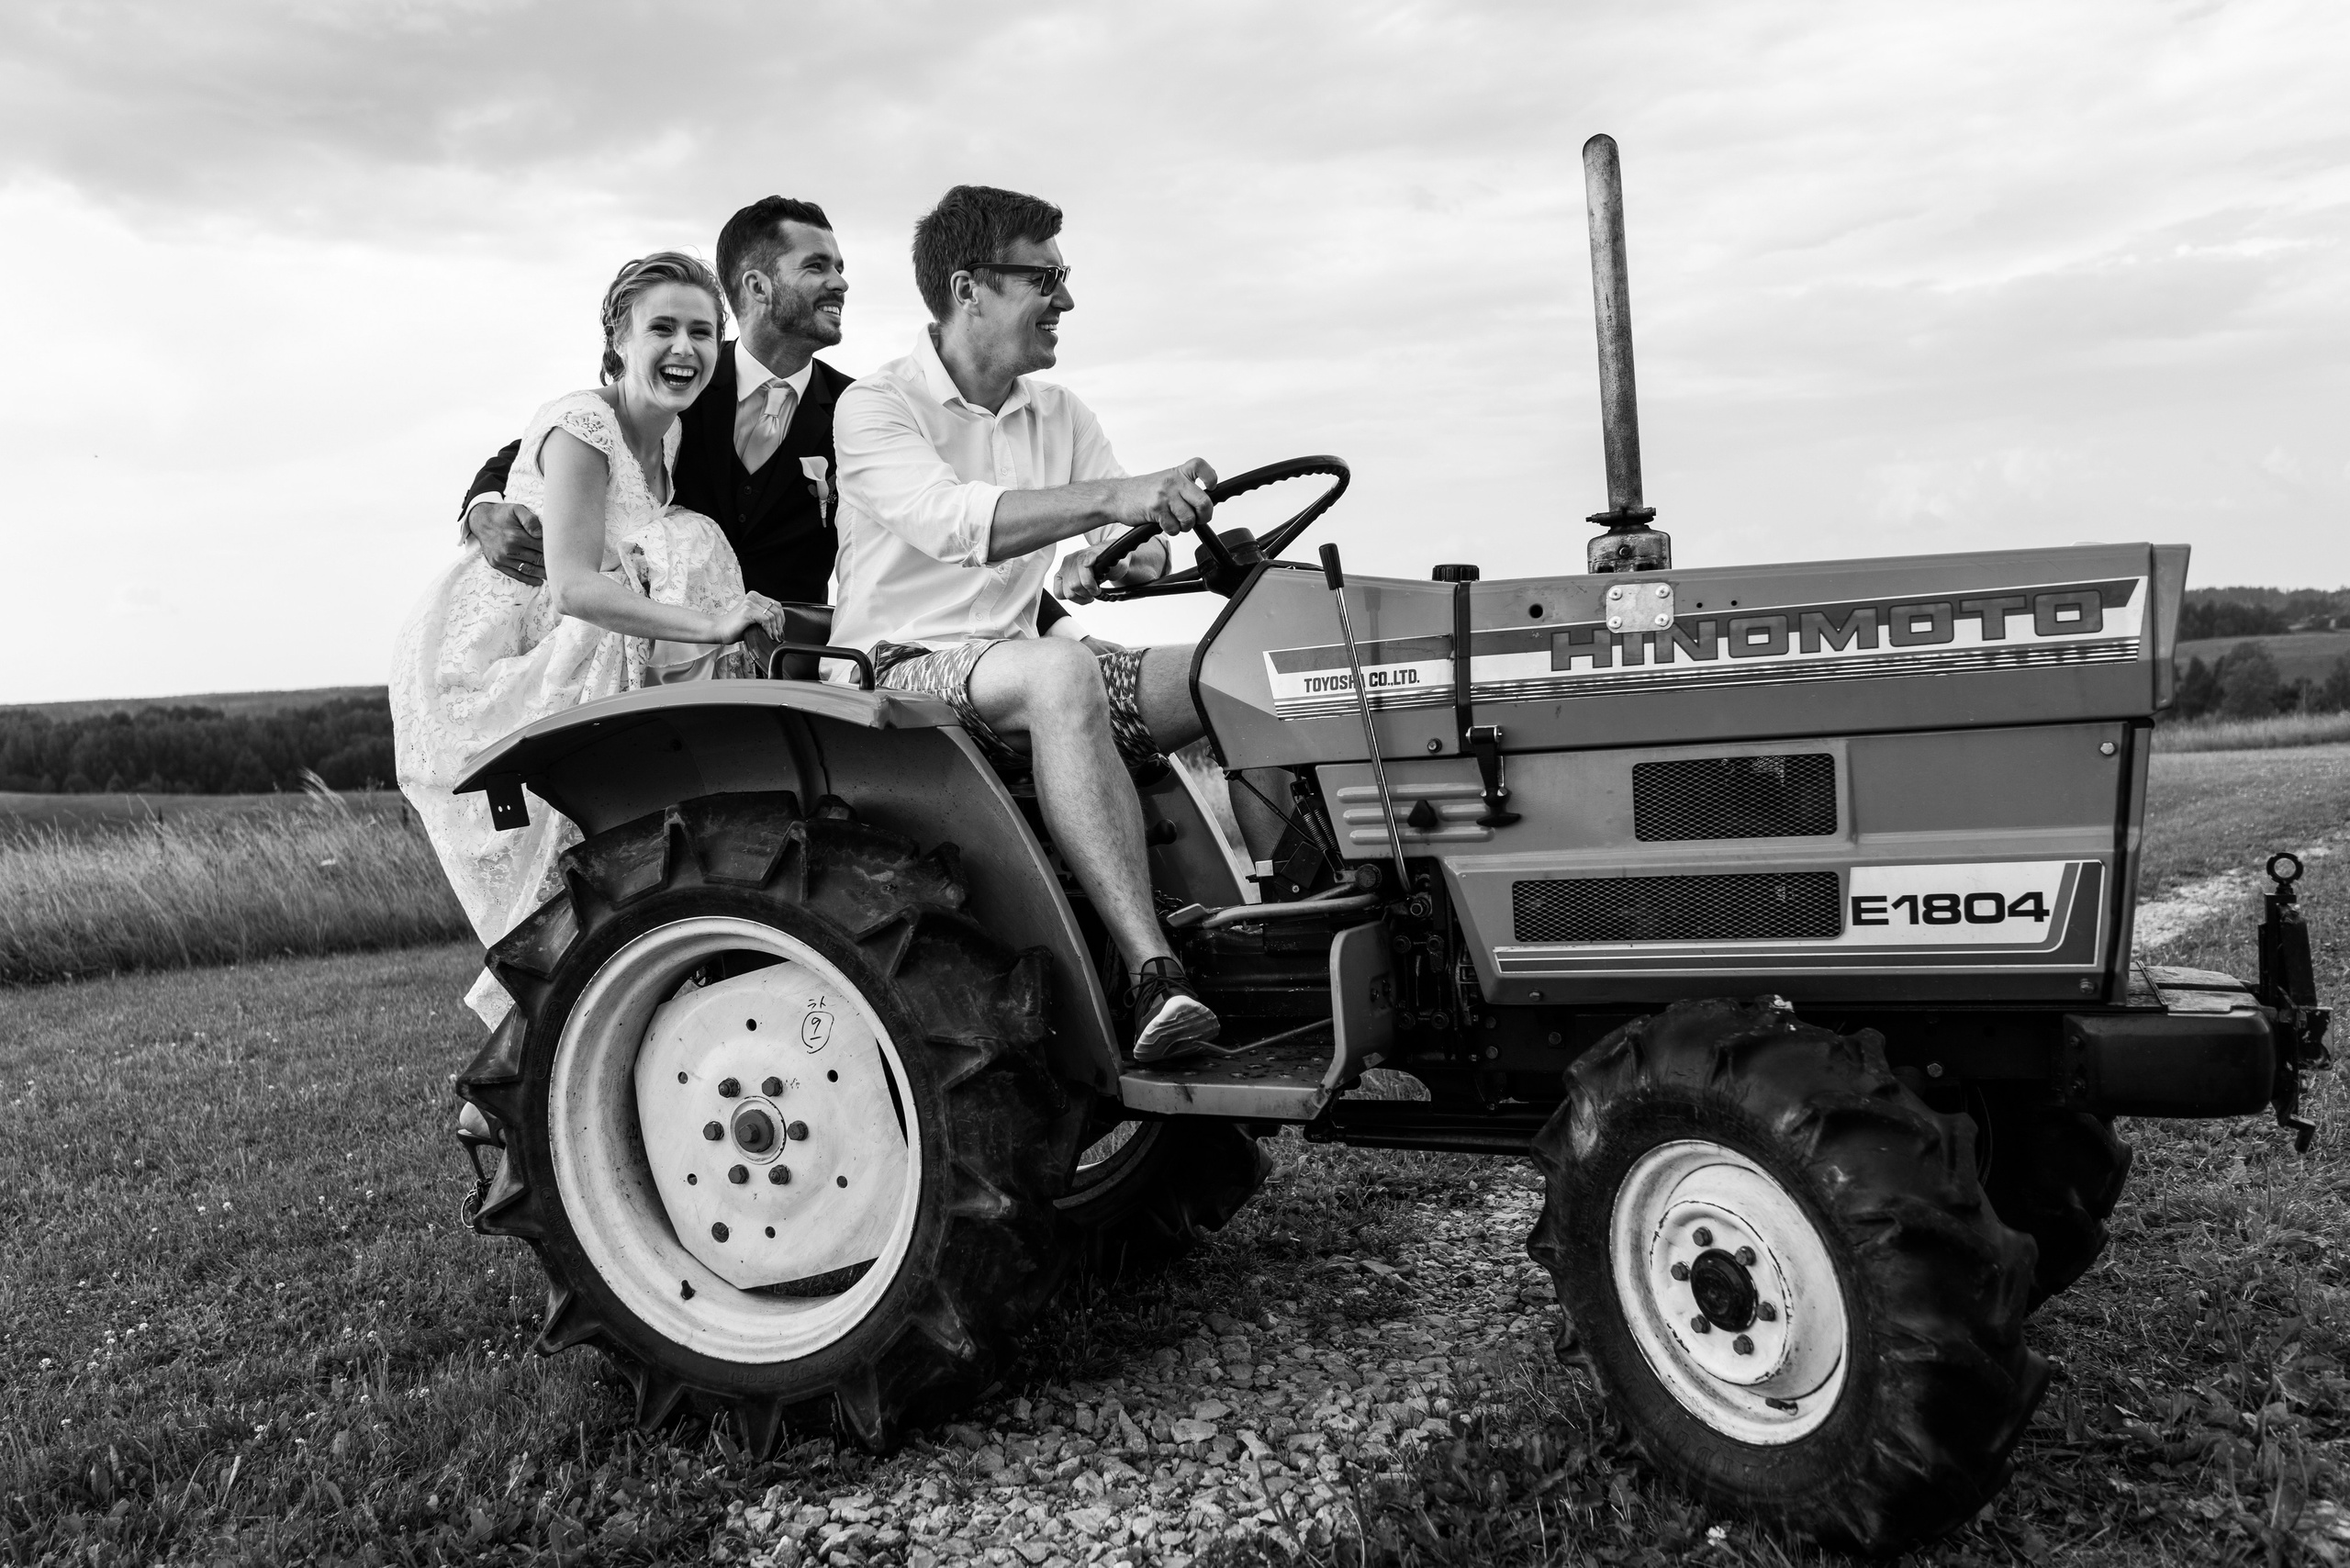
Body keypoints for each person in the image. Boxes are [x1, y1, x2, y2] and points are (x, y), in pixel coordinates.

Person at [832, 185, 1232, 1064]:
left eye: (1065, 276)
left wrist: (1125, 552)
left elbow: (1130, 541)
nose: (1066, 301)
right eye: (1044, 279)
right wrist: (1117, 499)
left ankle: (1273, 926)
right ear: (968, 288)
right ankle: (1154, 974)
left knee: (1225, 669)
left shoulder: (1060, 413)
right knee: (1059, 672)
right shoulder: (876, 406)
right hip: (902, 670)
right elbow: (955, 522)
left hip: (1017, 660)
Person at [391, 252, 784, 1026]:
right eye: (662, 328)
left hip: (588, 646)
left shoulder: (665, 443)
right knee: (581, 861)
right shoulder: (584, 424)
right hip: (512, 660)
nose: (684, 349)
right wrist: (712, 623)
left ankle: (570, 1029)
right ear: (618, 338)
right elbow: (571, 584)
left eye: (702, 332)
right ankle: (528, 1043)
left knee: (606, 874)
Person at [455, 196, 1086, 640]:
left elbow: (946, 538)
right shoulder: (676, 383)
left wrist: (1066, 631)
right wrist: (482, 508)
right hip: (663, 664)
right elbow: (538, 450)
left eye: (841, 268)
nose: (840, 283)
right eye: (817, 267)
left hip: (791, 664)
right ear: (757, 288)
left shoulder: (863, 412)